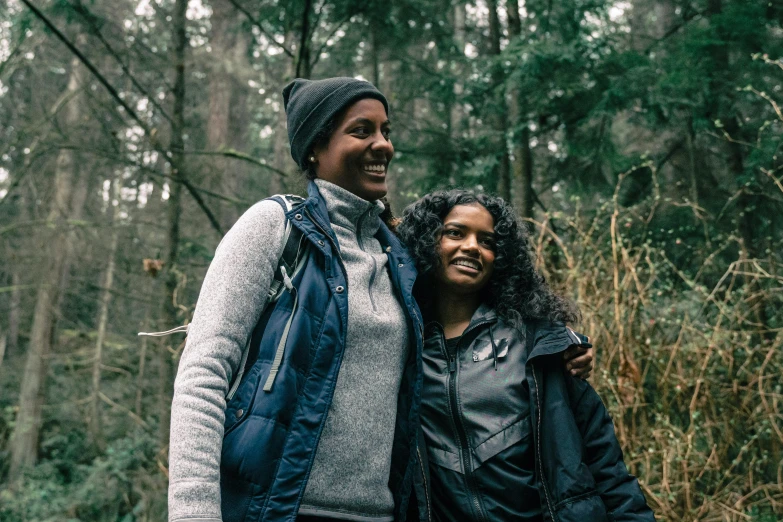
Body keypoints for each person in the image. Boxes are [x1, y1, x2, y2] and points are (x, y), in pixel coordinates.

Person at [168, 77, 429, 522]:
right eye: (361, 131)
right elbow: (203, 375)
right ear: (315, 147)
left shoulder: (398, 255)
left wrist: (558, 346)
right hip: (277, 509)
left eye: (386, 131)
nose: (383, 145)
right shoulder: (274, 227)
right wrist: (194, 512)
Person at [397, 190, 655, 521]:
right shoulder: (403, 344)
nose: (473, 247)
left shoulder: (540, 345)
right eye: (455, 233)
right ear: (426, 241)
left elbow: (603, 462)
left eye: (487, 241)